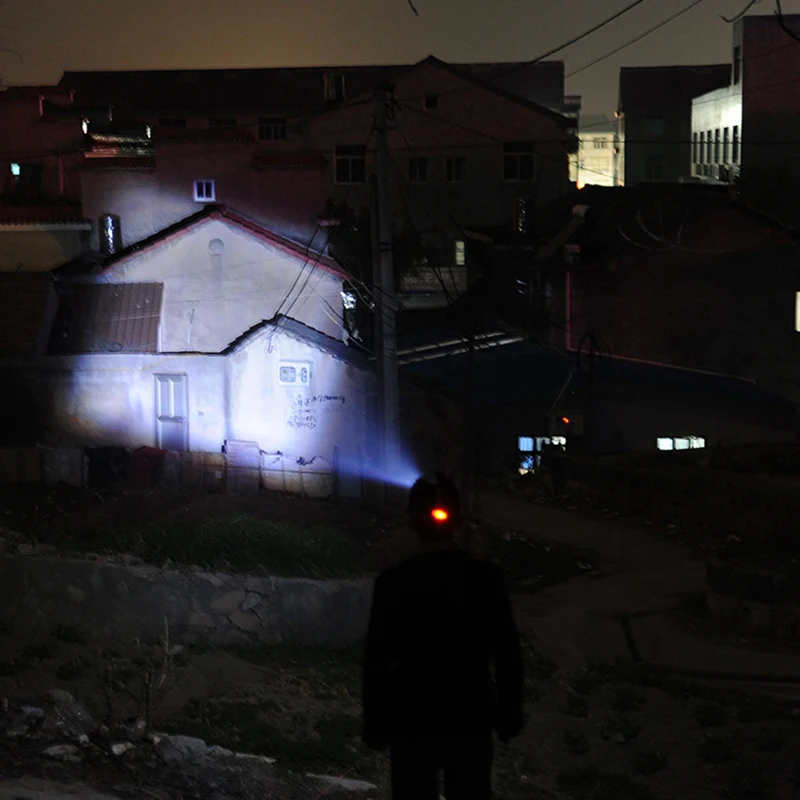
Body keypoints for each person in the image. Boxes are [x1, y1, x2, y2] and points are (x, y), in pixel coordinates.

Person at [361, 473, 525, 799]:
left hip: (412, 719)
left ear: (411, 521)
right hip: (470, 717)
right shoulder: (487, 580)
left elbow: (376, 661)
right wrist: (509, 714)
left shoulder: (393, 584)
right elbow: (507, 652)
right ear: (459, 520)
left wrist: (376, 724)